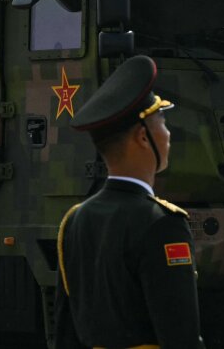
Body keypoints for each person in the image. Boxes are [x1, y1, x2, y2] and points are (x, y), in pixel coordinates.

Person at [54, 55, 204, 349]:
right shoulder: (163, 224)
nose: (168, 134)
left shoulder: (75, 220)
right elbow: (181, 338)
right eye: (162, 122)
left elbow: (65, 333)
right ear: (143, 137)